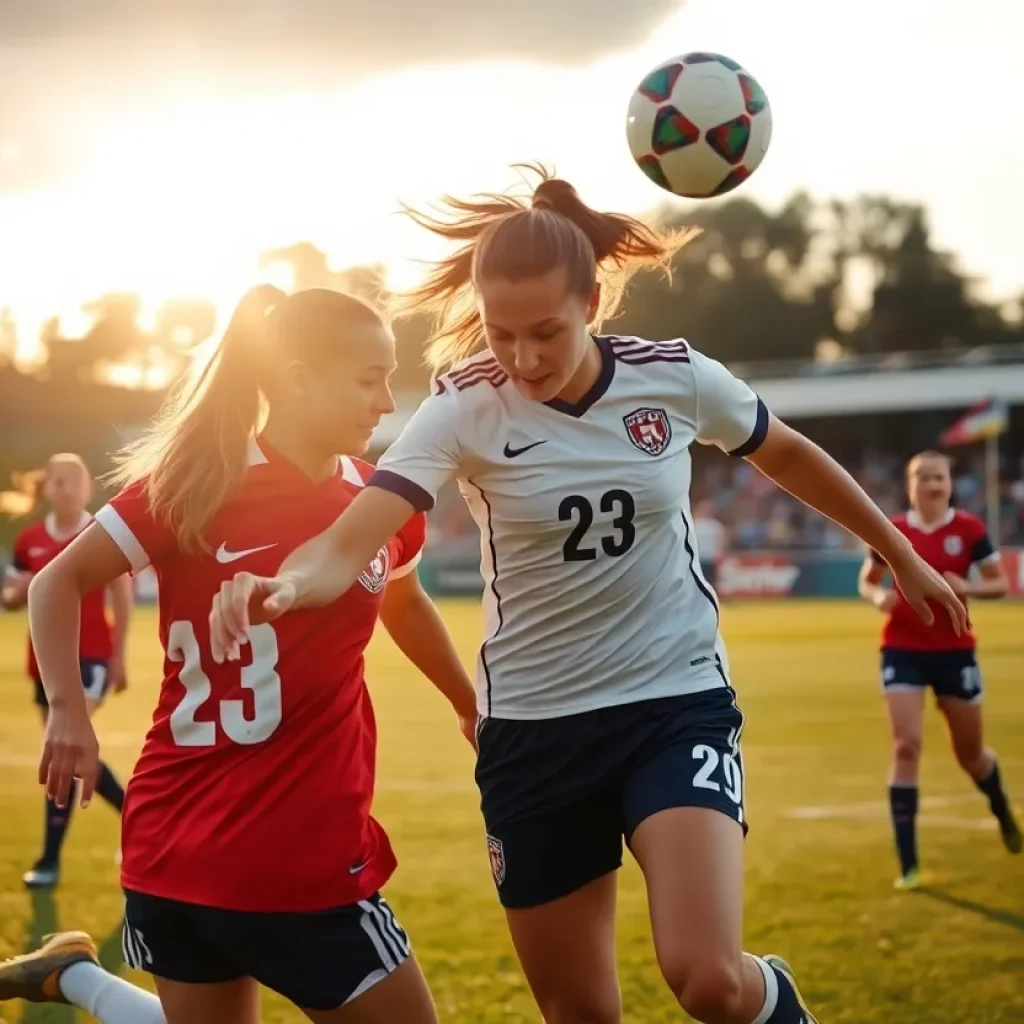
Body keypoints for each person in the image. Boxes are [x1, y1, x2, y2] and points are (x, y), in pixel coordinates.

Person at [205, 171, 966, 1024]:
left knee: (709, 980)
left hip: (671, 705)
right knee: (581, 1016)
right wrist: (287, 582)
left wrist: (897, 551)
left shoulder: (676, 378)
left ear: (594, 301)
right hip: (532, 734)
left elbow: (783, 451)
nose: (523, 359)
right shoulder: (462, 407)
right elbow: (351, 539)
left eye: (546, 333)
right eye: (500, 334)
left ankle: (773, 997)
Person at [25, 286, 478, 1024]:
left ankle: (77, 979)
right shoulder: (197, 483)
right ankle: (77, 979)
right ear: (298, 376)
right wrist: (68, 716)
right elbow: (56, 582)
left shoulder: (376, 500)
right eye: (368, 379)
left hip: (207, 850)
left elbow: (405, 601)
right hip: (269, 860)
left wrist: (467, 701)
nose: (383, 400)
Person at [858, 449, 1020, 890]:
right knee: (906, 745)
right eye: (925, 478)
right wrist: (878, 599)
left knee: (971, 755)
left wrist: (970, 586)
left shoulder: (969, 529)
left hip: (955, 651)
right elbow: (867, 580)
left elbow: (1001, 583)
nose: (933, 485)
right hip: (902, 648)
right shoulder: (893, 530)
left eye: (941, 478)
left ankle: (1001, 807)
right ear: (911, 485)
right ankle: (907, 864)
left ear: (950, 484)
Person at [1, 453, 133, 889]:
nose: (65, 488)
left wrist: (118, 655)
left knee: (66, 750)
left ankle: (49, 860)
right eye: (57, 481)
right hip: (44, 661)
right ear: (47, 488)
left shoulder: (102, 533)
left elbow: (122, 594)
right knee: (68, 752)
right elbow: (13, 600)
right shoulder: (29, 539)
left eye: (73, 480)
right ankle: (140, 816)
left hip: (90, 655)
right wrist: (16, 593)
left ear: (88, 488)